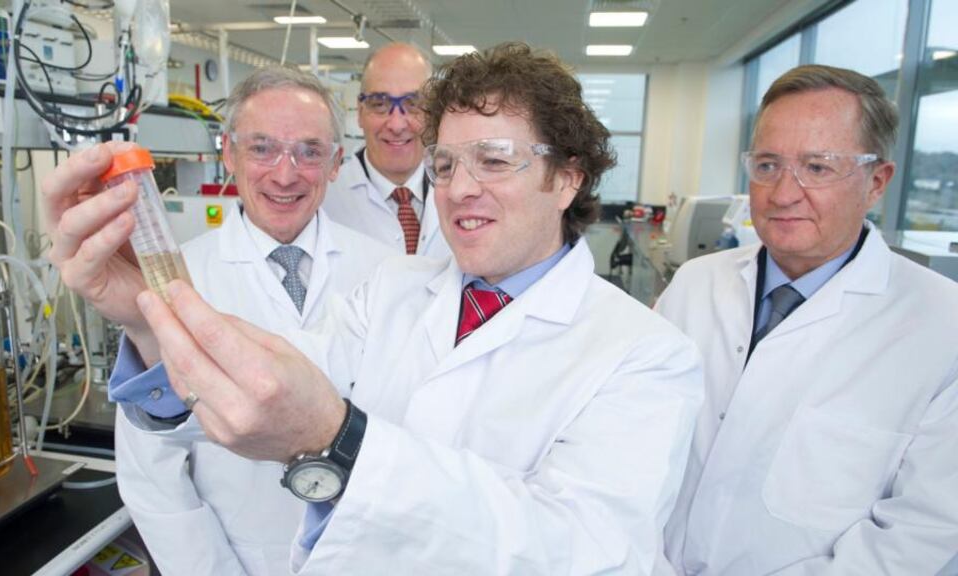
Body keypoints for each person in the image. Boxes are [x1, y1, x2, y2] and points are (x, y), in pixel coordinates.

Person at [44, 42, 704, 574]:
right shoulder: (391, 289)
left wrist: (340, 442)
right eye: (444, 164)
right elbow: (257, 395)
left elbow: (586, 553)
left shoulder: (646, 353)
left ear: (567, 176)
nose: (460, 190)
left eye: (494, 160)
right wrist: (145, 316)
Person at [46, 66, 394, 575]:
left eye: (309, 151)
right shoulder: (173, 275)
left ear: (337, 162)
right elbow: (152, 476)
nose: (285, 172)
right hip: (239, 559)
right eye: (261, 148)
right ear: (228, 153)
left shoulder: (385, 269)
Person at [656, 64, 958, 575]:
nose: (783, 193)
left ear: (877, 181)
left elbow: (920, 537)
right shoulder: (695, 284)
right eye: (768, 165)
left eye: (818, 167)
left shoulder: (943, 327)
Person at [321, 43, 451, 258]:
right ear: (361, 113)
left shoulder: (461, 192)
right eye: (380, 104)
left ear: (433, 113)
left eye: (414, 103)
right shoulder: (324, 199)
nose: (397, 125)